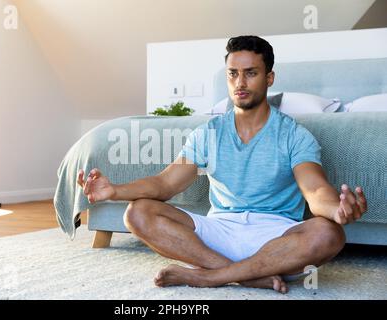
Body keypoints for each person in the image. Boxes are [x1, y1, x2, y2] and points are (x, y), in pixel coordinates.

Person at [77, 36, 367, 294]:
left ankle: (210, 278)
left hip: (276, 238)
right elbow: (165, 184)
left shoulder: (295, 135)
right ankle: (247, 276)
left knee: (329, 233)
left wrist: (336, 210)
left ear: (269, 78)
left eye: (251, 73)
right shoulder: (208, 132)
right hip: (219, 231)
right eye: (233, 74)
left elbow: (315, 190)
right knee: (138, 213)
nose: (240, 83)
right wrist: (113, 190)